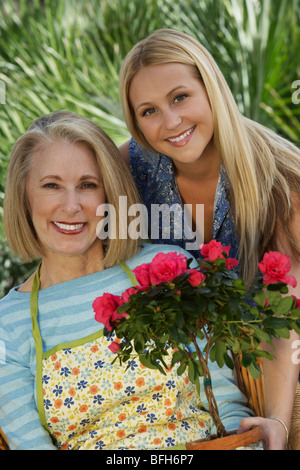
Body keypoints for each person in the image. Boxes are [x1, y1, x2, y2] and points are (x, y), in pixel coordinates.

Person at [0, 111, 251, 450]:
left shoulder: (169, 269)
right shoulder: (7, 324)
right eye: (51, 185)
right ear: (24, 197)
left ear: (109, 194)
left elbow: (225, 406)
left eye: (88, 185)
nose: (72, 206)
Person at [118, 28, 300, 450]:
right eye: (148, 111)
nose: (170, 121)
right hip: (187, 374)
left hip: (272, 360)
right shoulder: (132, 167)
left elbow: (286, 311)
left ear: (211, 88)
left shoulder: (279, 182)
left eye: (180, 97)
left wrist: (277, 420)